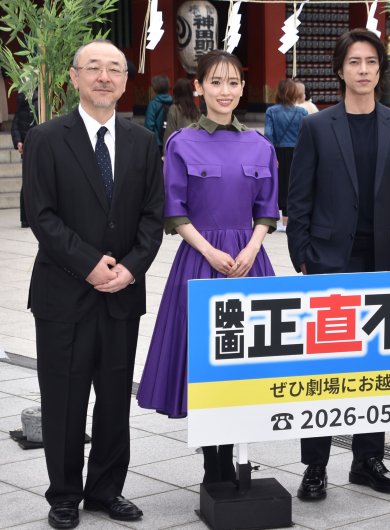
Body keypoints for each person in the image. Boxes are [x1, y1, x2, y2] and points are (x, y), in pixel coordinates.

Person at [23, 40, 164, 528]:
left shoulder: (143, 141)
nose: (104, 77)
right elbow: (40, 214)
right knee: (63, 398)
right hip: (63, 293)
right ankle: (64, 494)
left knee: (113, 399)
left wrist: (131, 268)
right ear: (74, 77)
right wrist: (88, 264)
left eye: (114, 70)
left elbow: (152, 216)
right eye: (94, 68)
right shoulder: (45, 138)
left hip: (122, 293)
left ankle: (106, 490)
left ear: (125, 81)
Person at [286, 28, 390, 500]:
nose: (363, 70)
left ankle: (368, 460)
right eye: (354, 62)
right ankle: (315, 465)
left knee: (375, 366)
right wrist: (302, 256)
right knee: (323, 369)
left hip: (382, 261)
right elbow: (299, 197)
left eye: (370, 62)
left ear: (380, 70)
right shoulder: (317, 126)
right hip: (328, 261)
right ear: (340, 70)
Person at [137, 50, 279, 484]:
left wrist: (252, 247)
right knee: (203, 362)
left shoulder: (261, 145)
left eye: (233, 82)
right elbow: (175, 211)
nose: (225, 91)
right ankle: (212, 466)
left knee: (246, 361)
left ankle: (237, 456)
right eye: (216, 82)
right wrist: (209, 251)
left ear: (243, 88)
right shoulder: (181, 143)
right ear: (199, 87)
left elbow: (267, 211)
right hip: (200, 263)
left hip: (249, 262)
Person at [264, 79, 307, 229]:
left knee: (279, 183)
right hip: (297, 151)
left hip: (278, 151)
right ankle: (290, 217)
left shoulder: (271, 111)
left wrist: (272, 155)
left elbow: (268, 134)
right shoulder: (302, 112)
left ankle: (280, 217)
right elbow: (305, 135)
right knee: (294, 183)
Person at [11, 89, 38, 228]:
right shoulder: (39, 104)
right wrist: (18, 142)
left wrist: (18, 142)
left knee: (27, 183)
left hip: (28, 148)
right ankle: (30, 218)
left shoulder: (23, 107)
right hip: (35, 148)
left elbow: (14, 127)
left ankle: (25, 219)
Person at [162, 77, 200, 152]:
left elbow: (170, 132)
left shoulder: (174, 109)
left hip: (179, 149)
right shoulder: (196, 110)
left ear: (176, 92)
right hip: (194, 149)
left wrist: (166, 152)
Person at [144, 74, 173, 153]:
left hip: (157, 142)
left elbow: (149, 125)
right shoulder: (173, 102)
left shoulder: (153, 104)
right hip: (171, 140)